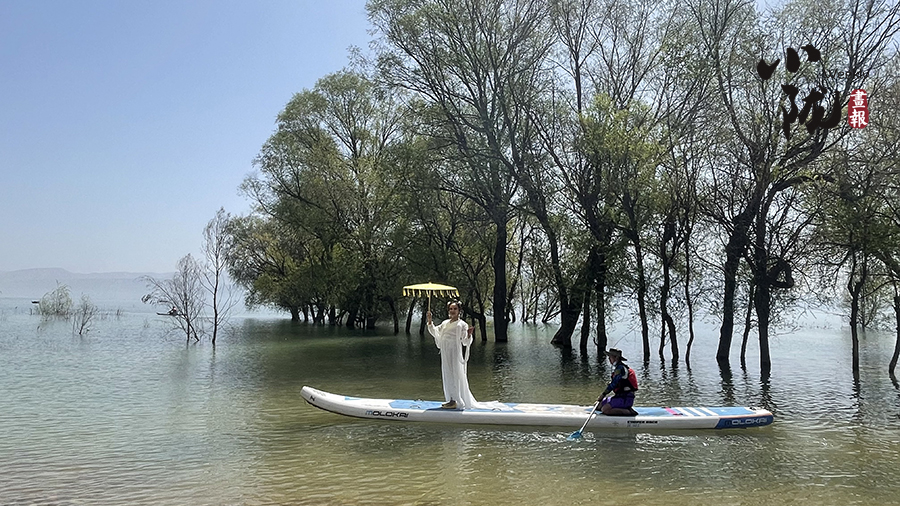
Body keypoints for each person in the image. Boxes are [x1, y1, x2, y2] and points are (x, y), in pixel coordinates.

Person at [427, 300, 477, 409]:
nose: (452, 311)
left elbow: (465, 341)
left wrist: (469, 335)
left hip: (455, 352)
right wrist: (430, 321)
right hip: (445, 351)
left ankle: (458, 400)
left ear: (459, 311)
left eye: (455, 309)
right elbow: (435, 332)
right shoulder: (445, 323)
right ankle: (451, 399)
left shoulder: (462, 324)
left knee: (456, 374)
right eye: (450, 309)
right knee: (447, 374)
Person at [597, 348, 639, 416]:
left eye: (610, 357)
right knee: (598, 406)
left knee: (605, 409)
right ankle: (619, 407)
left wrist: (603, 394)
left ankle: (628, 412)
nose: (609, 359)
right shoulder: (617, 368)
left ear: (616, 358)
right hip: (618, 397)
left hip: (625, 398)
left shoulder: (620, 368)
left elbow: (614, 384)